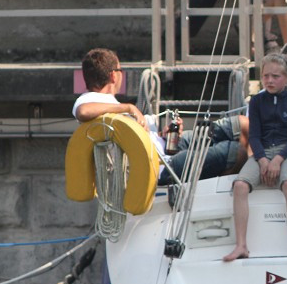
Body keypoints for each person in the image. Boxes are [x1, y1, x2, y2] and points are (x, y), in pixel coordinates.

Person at [73, 48, 249, 184]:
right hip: (163, 168)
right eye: (121, 69)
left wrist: (161, 135)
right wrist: (130, 108)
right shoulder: (88, 100)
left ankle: (268, 154)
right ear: (113, 75)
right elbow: (83, 111)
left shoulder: (109, 103)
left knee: (239, 125)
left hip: (167, 147)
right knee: (236, 151)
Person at [223, 54, 287, 262]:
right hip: (263, 151)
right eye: (266, 76)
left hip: (286, 151)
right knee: (240, 186)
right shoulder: (256, 101)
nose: (269, 80)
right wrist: (262, 159)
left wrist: (278, 159)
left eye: (276, 76)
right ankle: (241, 245)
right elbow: (253, 135)